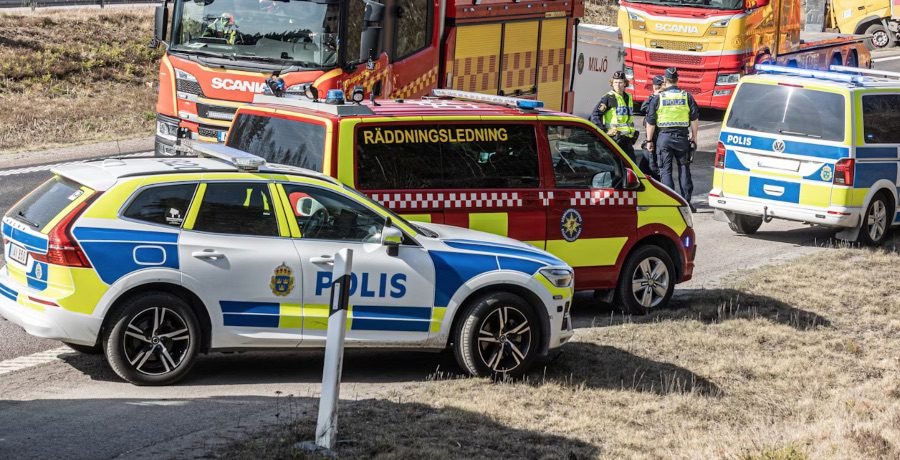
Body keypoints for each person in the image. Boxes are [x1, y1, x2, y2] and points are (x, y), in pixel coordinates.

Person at [645, 67, 700, 211]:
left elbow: (650, 122)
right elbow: (694, 120)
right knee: (684, 168)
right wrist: (694, 138)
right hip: (682, 138)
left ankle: (670, 203)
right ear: (677, 80)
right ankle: (686, 202)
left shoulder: (658, 98)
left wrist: (649, 141)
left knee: (665, 171)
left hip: (664, 138)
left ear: (665, 80)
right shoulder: (686, 96)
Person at [590, 70, 639, 165]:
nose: (617, 85)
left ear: (625, 83)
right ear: (612, 83)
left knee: (632, 167)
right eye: (615, 82)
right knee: (617, 167)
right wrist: (604, 131)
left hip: (627, 139)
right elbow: (595, 115)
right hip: (615, 139)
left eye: (620, 82)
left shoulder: (629, 97)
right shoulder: (609, 98)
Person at [639, 75, 664, 181]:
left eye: (661, 86)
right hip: (652, 136)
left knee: (654, 166)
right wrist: (654, 96)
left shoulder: (665, 98)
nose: (660, 89)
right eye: (658, 87)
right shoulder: (652, 97)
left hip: (659, 136)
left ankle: (658, 185)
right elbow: (643, 108)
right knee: (645, 165)